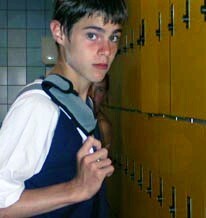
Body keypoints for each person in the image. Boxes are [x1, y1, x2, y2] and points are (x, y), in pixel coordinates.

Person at [0, 0, 127, 217]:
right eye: (92, 35)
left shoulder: (80, 105)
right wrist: (76, 189)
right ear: (59, 32)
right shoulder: (39, 107)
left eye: (113, 36)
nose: (106, 50)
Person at [89, 74, 112, 149]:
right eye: (89, 87)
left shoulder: (102, 126)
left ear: (105, 95)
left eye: (100, 90)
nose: (92, 95)